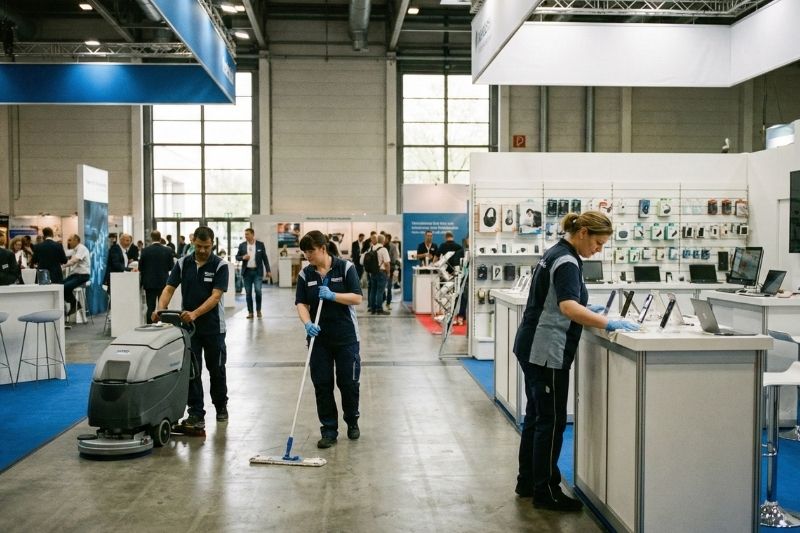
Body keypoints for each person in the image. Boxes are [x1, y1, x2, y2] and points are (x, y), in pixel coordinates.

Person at [513, 211, 639, 511]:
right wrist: (605, 322)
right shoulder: (568, 260)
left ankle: (528, 480)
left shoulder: (556, 252)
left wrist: (587, 307)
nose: (599, 249)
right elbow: (567, 307)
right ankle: (546, 492)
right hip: (547, 351)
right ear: (582, 232)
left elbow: (558, 298)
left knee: (536, 417)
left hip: (532, 345)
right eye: (597, 242)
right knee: (551, 422)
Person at [153, 226, 229, 429]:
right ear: (193, 241)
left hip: (214, 329)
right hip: (189, 330)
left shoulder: (220, 265)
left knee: (217, 369)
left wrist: (194, 313)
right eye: (199, 246)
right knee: (192, 371)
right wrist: (161, 310)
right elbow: (169, 288)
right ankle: (196, 412)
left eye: (206, 246)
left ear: (213, 243)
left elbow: (215, 296)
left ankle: (221, 406)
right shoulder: (182, 262)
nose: (203, 250)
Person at [295, 230, 363, 449]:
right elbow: (301, 303)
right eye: (305, 252)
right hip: (319, 340)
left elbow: (357, 298)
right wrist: (307, 323)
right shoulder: (306, 275)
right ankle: (329, 430)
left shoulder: (345, 268)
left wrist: (333, 295)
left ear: (323, 248)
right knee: (322, 385)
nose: (307, 255)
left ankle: (352, 420)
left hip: (346, 337)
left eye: (311, 251)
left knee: (348, 383)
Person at [139, 230, 175, 324]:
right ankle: (164, 326)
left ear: (151, 238)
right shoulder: (167, 250)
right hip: (164, 282)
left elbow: (140, 267)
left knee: (150, 307)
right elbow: (171, 266)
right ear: (160, 238)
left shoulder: (145, 250)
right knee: (164, 307)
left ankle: (149, 327)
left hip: (149, 283)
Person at [236, 227, 271, 319]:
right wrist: (243, 257)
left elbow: (265, 258)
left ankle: (258, 310)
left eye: (247, 234)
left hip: (257, 272)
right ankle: (250, 312)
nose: (245, 236)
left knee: (258, 291)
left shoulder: (260, 245)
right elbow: (237, 257)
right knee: (248, 293)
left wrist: (268, 270)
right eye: (245, 234)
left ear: (252, 234)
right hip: (246, 272)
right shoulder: (242, 245)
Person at [62, 234, 91, 316]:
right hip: (75, 275)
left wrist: (62, 266)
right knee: (59, 286)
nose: (68, 242)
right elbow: (65, 255)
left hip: (82, 275)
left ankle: (75, 304)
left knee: (64, 287)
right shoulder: (74, 250)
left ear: (76, 240)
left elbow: (74, 261)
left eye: (70, 240)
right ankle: (74, 304)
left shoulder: (81, 248)